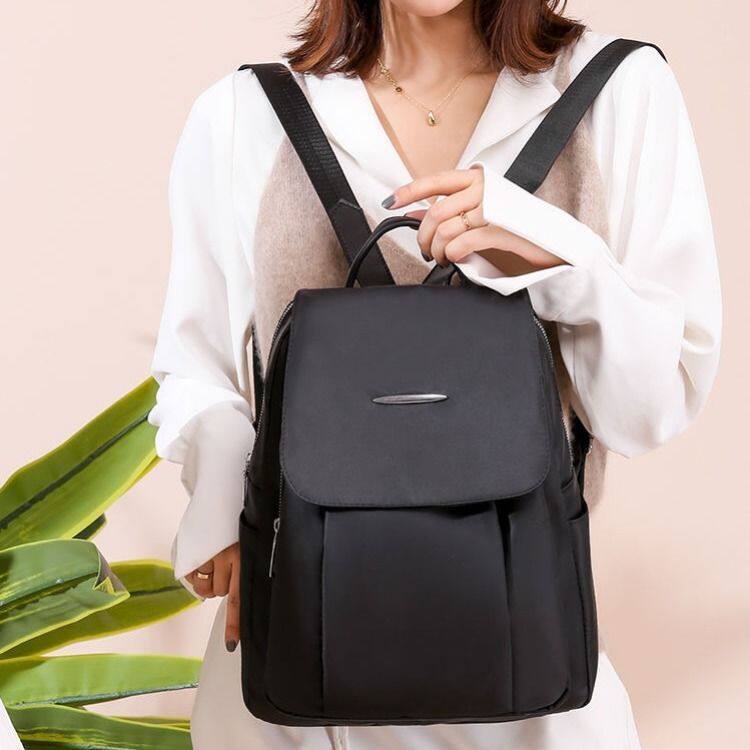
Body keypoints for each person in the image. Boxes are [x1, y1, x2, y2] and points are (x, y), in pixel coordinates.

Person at [149, 1, 722, 748]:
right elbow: (198, 371)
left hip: (529, 679)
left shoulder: (616, 90)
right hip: (297, 664)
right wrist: (226, 507)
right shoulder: (244, 114)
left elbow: (647, 411)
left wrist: (562, 261)